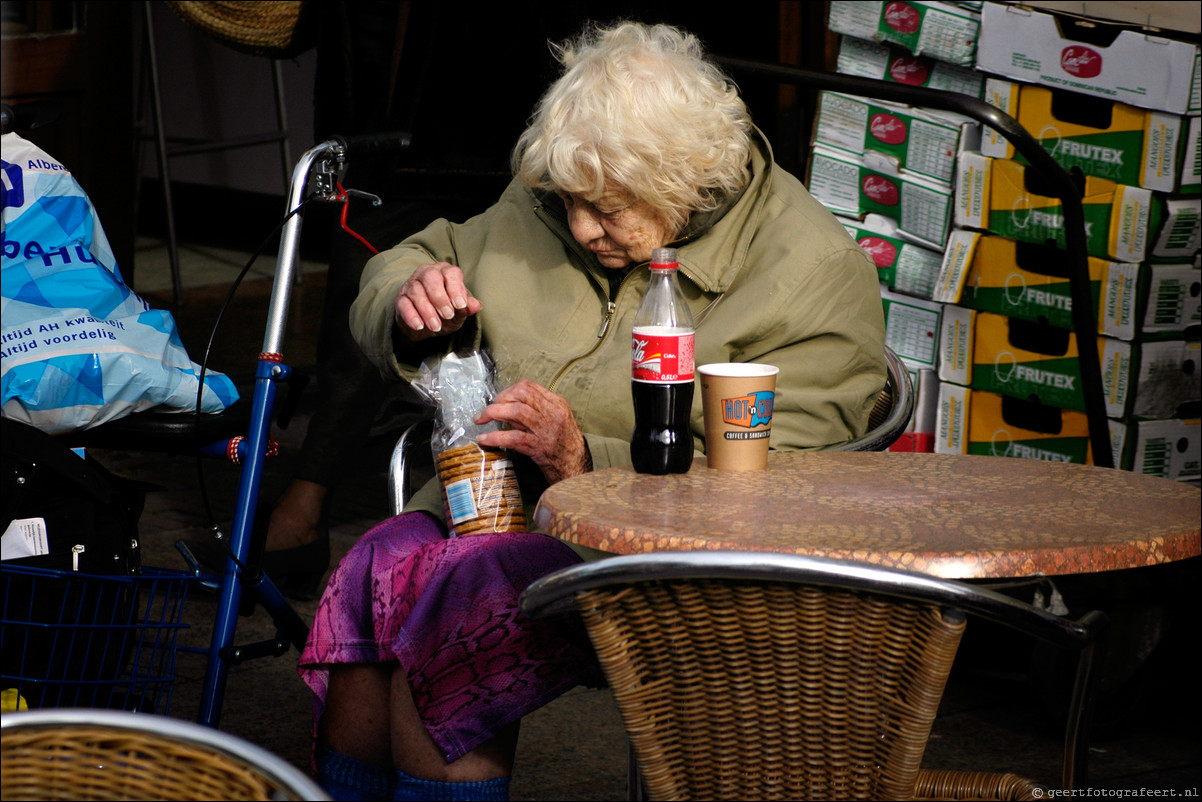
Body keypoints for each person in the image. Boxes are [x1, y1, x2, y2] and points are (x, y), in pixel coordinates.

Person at [299, 20, 886, 800]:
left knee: (457, 597)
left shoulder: (810, 272)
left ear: (685, 182)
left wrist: (585, 461)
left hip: (671, 561)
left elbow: (792, 489)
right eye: (570, 201)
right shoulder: (559, 191)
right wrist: (408, 296)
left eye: (607, 211)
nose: (578, 226)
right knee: (376, 566)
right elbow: (413, 255)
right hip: (493, 512)